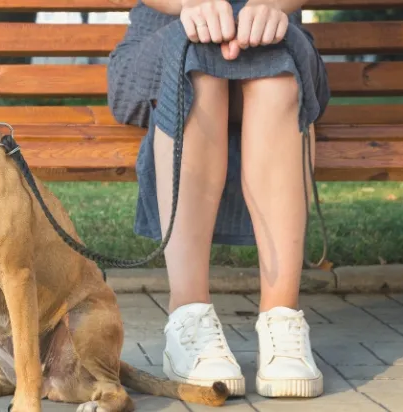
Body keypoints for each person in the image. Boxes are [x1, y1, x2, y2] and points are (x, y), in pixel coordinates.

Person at [107, 0, 329, 398]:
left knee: (276, 59)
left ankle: (282, 318)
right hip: (159, 47)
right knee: (199, 54)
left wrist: (271, 6)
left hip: (277, 44)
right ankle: (188, 316)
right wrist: (189, 6)